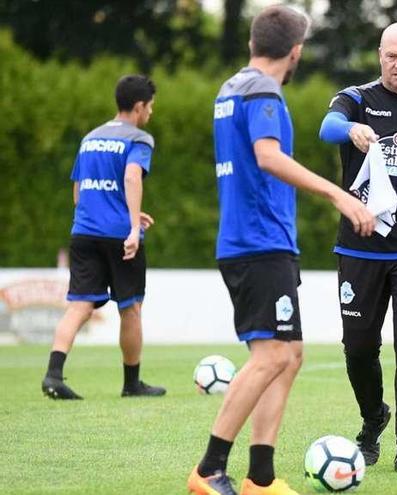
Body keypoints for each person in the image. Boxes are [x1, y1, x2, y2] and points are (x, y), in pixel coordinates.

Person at [187, 6, 375, 495]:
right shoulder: (265, 91)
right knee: (272, 355)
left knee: (289, 355)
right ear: (295, 52)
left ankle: (261, 478)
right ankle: (209, 469)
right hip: (259, 241)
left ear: (254, 42)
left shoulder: (230, 88)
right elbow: (267, 157)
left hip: (255, 241)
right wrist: (339, 194)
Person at [317, 21, 397, 473]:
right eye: (390, 56)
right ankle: (373, 418)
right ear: (379, 56)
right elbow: (327, 126)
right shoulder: (358, 98)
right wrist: (350, 131)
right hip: (360, 249)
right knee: (359, 348)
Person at [41, 74, 165, 401]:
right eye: (150, 107)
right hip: (118, 236)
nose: (150, 113)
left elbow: (79, 192)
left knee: (79, 305)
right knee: (130, 307)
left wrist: (125, 213)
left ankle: (53, 374)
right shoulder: (139, 139)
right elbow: (131, 176)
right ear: (139, 106)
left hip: (83, 231)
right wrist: (131, 227)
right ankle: (132, 384)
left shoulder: (90, 139)